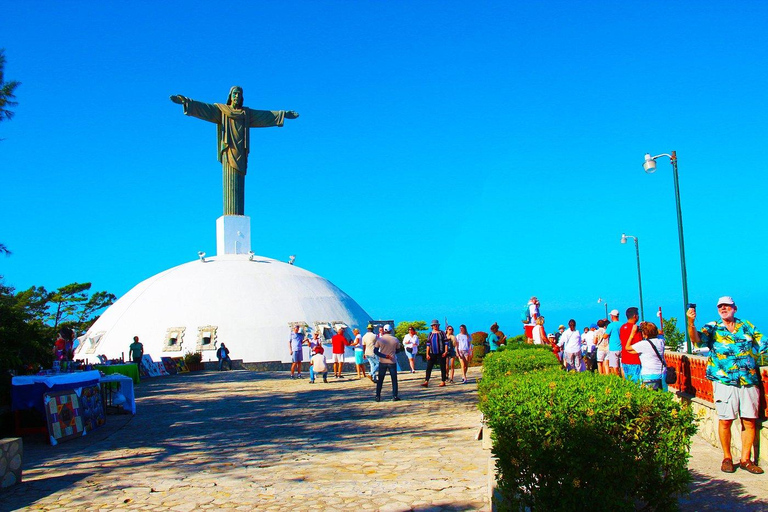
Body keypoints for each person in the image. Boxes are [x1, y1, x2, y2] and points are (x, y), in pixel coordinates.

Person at [170, 87, 299, 216]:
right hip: (228, 151)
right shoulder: (222, 110)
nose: (237, 96)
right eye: (234, 94)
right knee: (230, 182)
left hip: (241, 152)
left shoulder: (246, 114)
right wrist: (187, 102)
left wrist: (283, 114)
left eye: (239, 94)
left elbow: (264, 116)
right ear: (230, 96)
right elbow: (205, 109)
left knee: (239, 183)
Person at [687, 296, 767, 475]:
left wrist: (753, 357)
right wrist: (691, 322)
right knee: (725, 420)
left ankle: (746, 460)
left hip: (748, 380)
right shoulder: (713, 327)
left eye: (727, 306)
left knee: (749, 420)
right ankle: (727, 458)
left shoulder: (746, 326)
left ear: (734, 308)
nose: (724, 309)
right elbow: (697, 340)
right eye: (720, 306)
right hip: (724, 381)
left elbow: (763, 343)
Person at [625, 322, 666, 391]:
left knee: (650, 398)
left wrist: (632, 334)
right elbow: (660, 332)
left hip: (648, 376)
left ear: (644, 334)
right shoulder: (661, 341)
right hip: (662, 375)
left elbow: (627, 348)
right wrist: (648, 324)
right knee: (662, 397)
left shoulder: (643, 344)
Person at [373, 324, 400, 401]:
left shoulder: (380, 339)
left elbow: (375, 351)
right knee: (394, 379)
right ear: (390, 330)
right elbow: (398, 350)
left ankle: (377, 396)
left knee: (380, 379)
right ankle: (394, 395)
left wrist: (384, 356)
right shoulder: (395, 339)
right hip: (392, 361)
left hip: (382, 361)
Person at [422, 319, 448, 387]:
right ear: (432, 326)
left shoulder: (442, 333)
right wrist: (427, 354)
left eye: (436, 325)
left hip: (441, 352)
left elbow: (446, 343)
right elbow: (428, 344)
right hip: (432, 352)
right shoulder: (430, 334)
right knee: (429, 367)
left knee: (442, 367)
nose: (435, 326)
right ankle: (426, 381)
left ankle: (443, 381)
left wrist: (446, 351)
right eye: (434, 325)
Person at [619, 307, 643, 383]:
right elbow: (640, 343)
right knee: (636, 383)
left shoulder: (623, 327)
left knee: (628, 382)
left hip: (625, 358)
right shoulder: (636, 329)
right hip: (635, 359)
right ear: (635, 316)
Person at [604, 309, 623, 376]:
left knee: (615, 367)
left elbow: (605, 336)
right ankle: (624, 380)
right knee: (622, 366)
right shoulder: (622, 324)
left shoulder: (611, 325)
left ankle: (617, 380)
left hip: (613, 348)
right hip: (622, 347)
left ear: (612, 316)